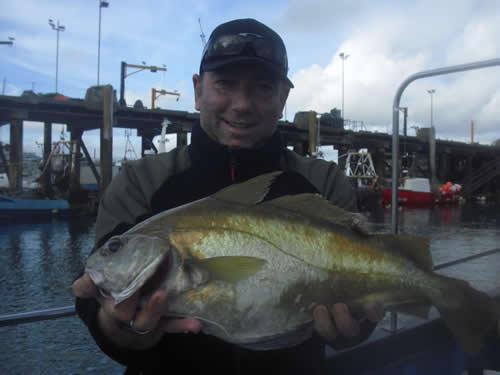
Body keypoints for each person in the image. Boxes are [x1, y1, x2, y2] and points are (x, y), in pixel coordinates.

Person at [73, 18, 383, 374]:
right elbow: (97, 307)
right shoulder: (139, 181)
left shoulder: (324, 182)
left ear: (283, 98)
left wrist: (354, 328)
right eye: (225, 83)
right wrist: (116, 327)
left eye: (262, 88)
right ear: (197, 90)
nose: (242, 104)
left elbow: (356, 303)